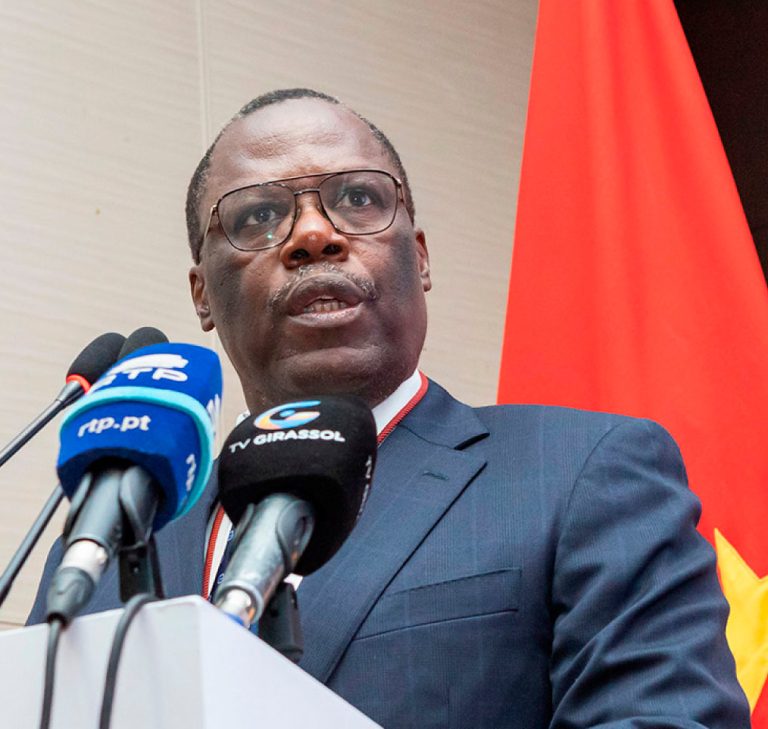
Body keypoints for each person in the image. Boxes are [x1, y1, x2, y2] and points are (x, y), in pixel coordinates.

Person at [30, 89, 750, 727]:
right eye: (259, 215)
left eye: (358, 200)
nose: (314, 235)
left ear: (422, 257)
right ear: (201, 296)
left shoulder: (581, 473)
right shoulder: (105, 543)